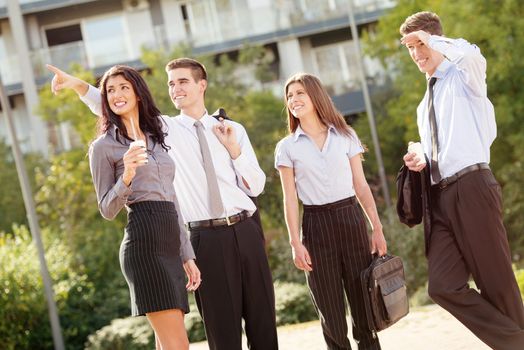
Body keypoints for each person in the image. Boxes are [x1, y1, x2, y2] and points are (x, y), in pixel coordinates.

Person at [47, 58, 278, 350]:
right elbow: (117, 106)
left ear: (201, 85)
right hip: (205, 237)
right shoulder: (163, 130)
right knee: (223, 334)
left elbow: (256, 185)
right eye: (170, 84)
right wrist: (78, 85)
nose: (175, 89)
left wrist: (235, 151)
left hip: (246, 229)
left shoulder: (232, 129)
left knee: (264, 326)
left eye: (182, 81)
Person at [400, 11, 524, 350]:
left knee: (496, 282)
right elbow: (436, 151)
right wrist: (419, 158)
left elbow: (470, 52)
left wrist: (432, 41)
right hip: (441, 198)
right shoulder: (423, 105)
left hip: (473, 186)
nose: (416, 53)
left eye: (420, 44)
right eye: (409, 47)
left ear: (437, 39)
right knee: (442, 286)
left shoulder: (464, 75)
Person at [83, 65, 201, 350]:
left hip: (169, 240)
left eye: (124, 87)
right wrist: (127, 176)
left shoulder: (157, 137)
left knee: (167, 344)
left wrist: (187, 253)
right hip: (143, 242)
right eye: (110, 90)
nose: (117, 94)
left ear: (137, 92)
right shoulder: (103, 147)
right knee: (178, 345)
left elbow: (172, 198)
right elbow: (106, 209)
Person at [275, 72, 387, 350]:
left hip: (351, 219)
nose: (294, 99)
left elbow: (361, 186)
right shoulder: (286, 147)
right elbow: (290, 199)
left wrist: (377, 228)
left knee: (364, 307)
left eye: (299, 93)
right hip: (315, 226)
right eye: (289, 96)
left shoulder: (345, 135)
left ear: (315, 96)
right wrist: (295, 242)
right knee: (331, 313)